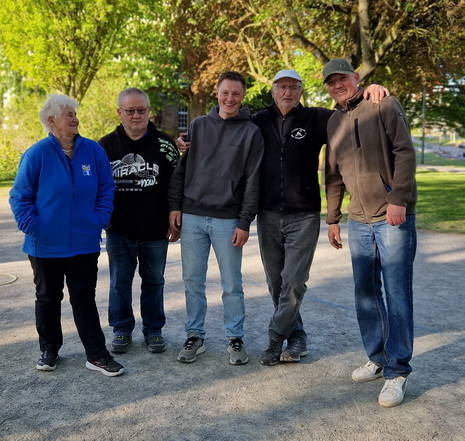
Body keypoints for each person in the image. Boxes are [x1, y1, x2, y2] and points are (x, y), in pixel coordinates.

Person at [177, 71, 389, 366]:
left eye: (293, 87)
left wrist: (368, 91)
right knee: (277, 284)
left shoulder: (316, 118)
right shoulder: (258, 121)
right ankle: (297, 337)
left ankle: (275, 338)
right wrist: (185, 141)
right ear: (273, 91)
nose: (287, 92)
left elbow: (348, 111)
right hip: (268, 214)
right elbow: (225, 128)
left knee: (294, 281)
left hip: (303, 214)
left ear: (300, 91)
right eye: (281, 87)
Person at [323, 58, 417, 407]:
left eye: (342, 79)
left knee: (396, 292)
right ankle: (377, 358)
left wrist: (398, 199)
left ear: (356, 77)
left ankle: (398, 371)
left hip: (392, 216)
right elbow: (332, 174)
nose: (337, 86)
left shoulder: (383, 103)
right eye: (331, 82)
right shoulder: (333, 121)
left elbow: (405, 152)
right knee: (365, 292)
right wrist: (333, 218)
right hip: (358, 220)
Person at [9, 94, 124, 377]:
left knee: (84, 299)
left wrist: (98, 219)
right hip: (44, 245)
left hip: (84, 243)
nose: (75, 119)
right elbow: (20, 196)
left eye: (75, 114)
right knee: (47, 298)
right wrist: (34, 227)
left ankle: (97, 355)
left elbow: (106, 188)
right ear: (51, 120)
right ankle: (49, 350)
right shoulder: (36, 154)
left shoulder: (93, 151)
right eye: (69, 115)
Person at [168, 71, 265, 365]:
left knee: (232, 284)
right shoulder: (198, 125)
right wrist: (175, 205)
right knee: (192, 281)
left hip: (228, 219)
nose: (229, 99)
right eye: (225, 92)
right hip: (193, 215)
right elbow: (183, 169)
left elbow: (253, 180)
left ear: (243, 96)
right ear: (217, 92)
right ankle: (194, 335)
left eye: (236, 94)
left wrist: (245, 221)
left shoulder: (251, 132)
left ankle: (235, 337)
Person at [99, 88, 181, 354]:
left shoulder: (165, 144)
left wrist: (175, 213)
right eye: (130, 111)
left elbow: (178, 183)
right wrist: (102, 216)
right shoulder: (104, 146)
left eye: (141, 110)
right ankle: (122, 329)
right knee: (119, 283)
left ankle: (153, 330)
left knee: (154, 282)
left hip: (156, 229)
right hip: (119, 230)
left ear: (148, 112)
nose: (136, 115)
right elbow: (95, 186)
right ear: (119, 112)